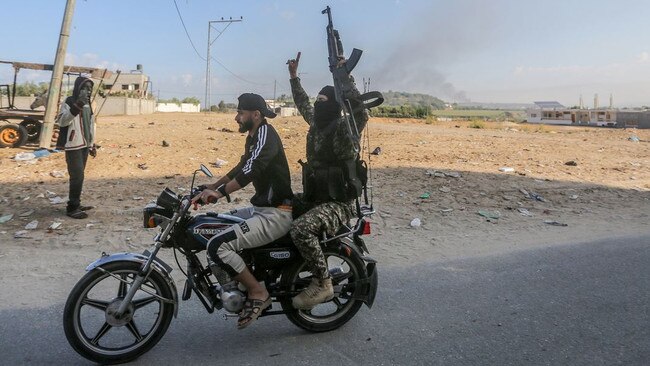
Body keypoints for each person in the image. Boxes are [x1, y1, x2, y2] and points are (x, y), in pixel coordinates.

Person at [191, 93, 293, 329]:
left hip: (276, 213)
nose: (237, 118)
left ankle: (258, 292)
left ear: (255, 115)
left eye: (240, 113)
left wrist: (220, 193)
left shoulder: (266, 133)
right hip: (261, 209)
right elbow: (242, 166)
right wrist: (212, 185)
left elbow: (251, 171)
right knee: (212, 224)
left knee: (218, 245)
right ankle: (241, 281)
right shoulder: (254, 136)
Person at [287, 52, 369, 309]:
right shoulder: (316, 123)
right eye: (318, 100)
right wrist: (293, 77)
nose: (318, 104)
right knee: (278, 208)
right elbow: (303, 104)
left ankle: (323, 283)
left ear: (334, 105)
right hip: (316, 198)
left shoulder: (345, 129)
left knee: (301, 229)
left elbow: (359, 112)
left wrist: (345, 77)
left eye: (322, 100)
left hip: (338, 203)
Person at [55, 76, 97, 219]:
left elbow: (90, 124)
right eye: (84, 88)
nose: (87, 91)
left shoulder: (89, 104)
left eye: (90, 88)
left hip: (85, 145)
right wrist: (76, 106)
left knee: (80, 176)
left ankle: (76, 203)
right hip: (73, 145)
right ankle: (72, 208)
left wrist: (92, 144)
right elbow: (61, 121)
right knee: (77, 176)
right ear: (78, 88)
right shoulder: (69, 101)